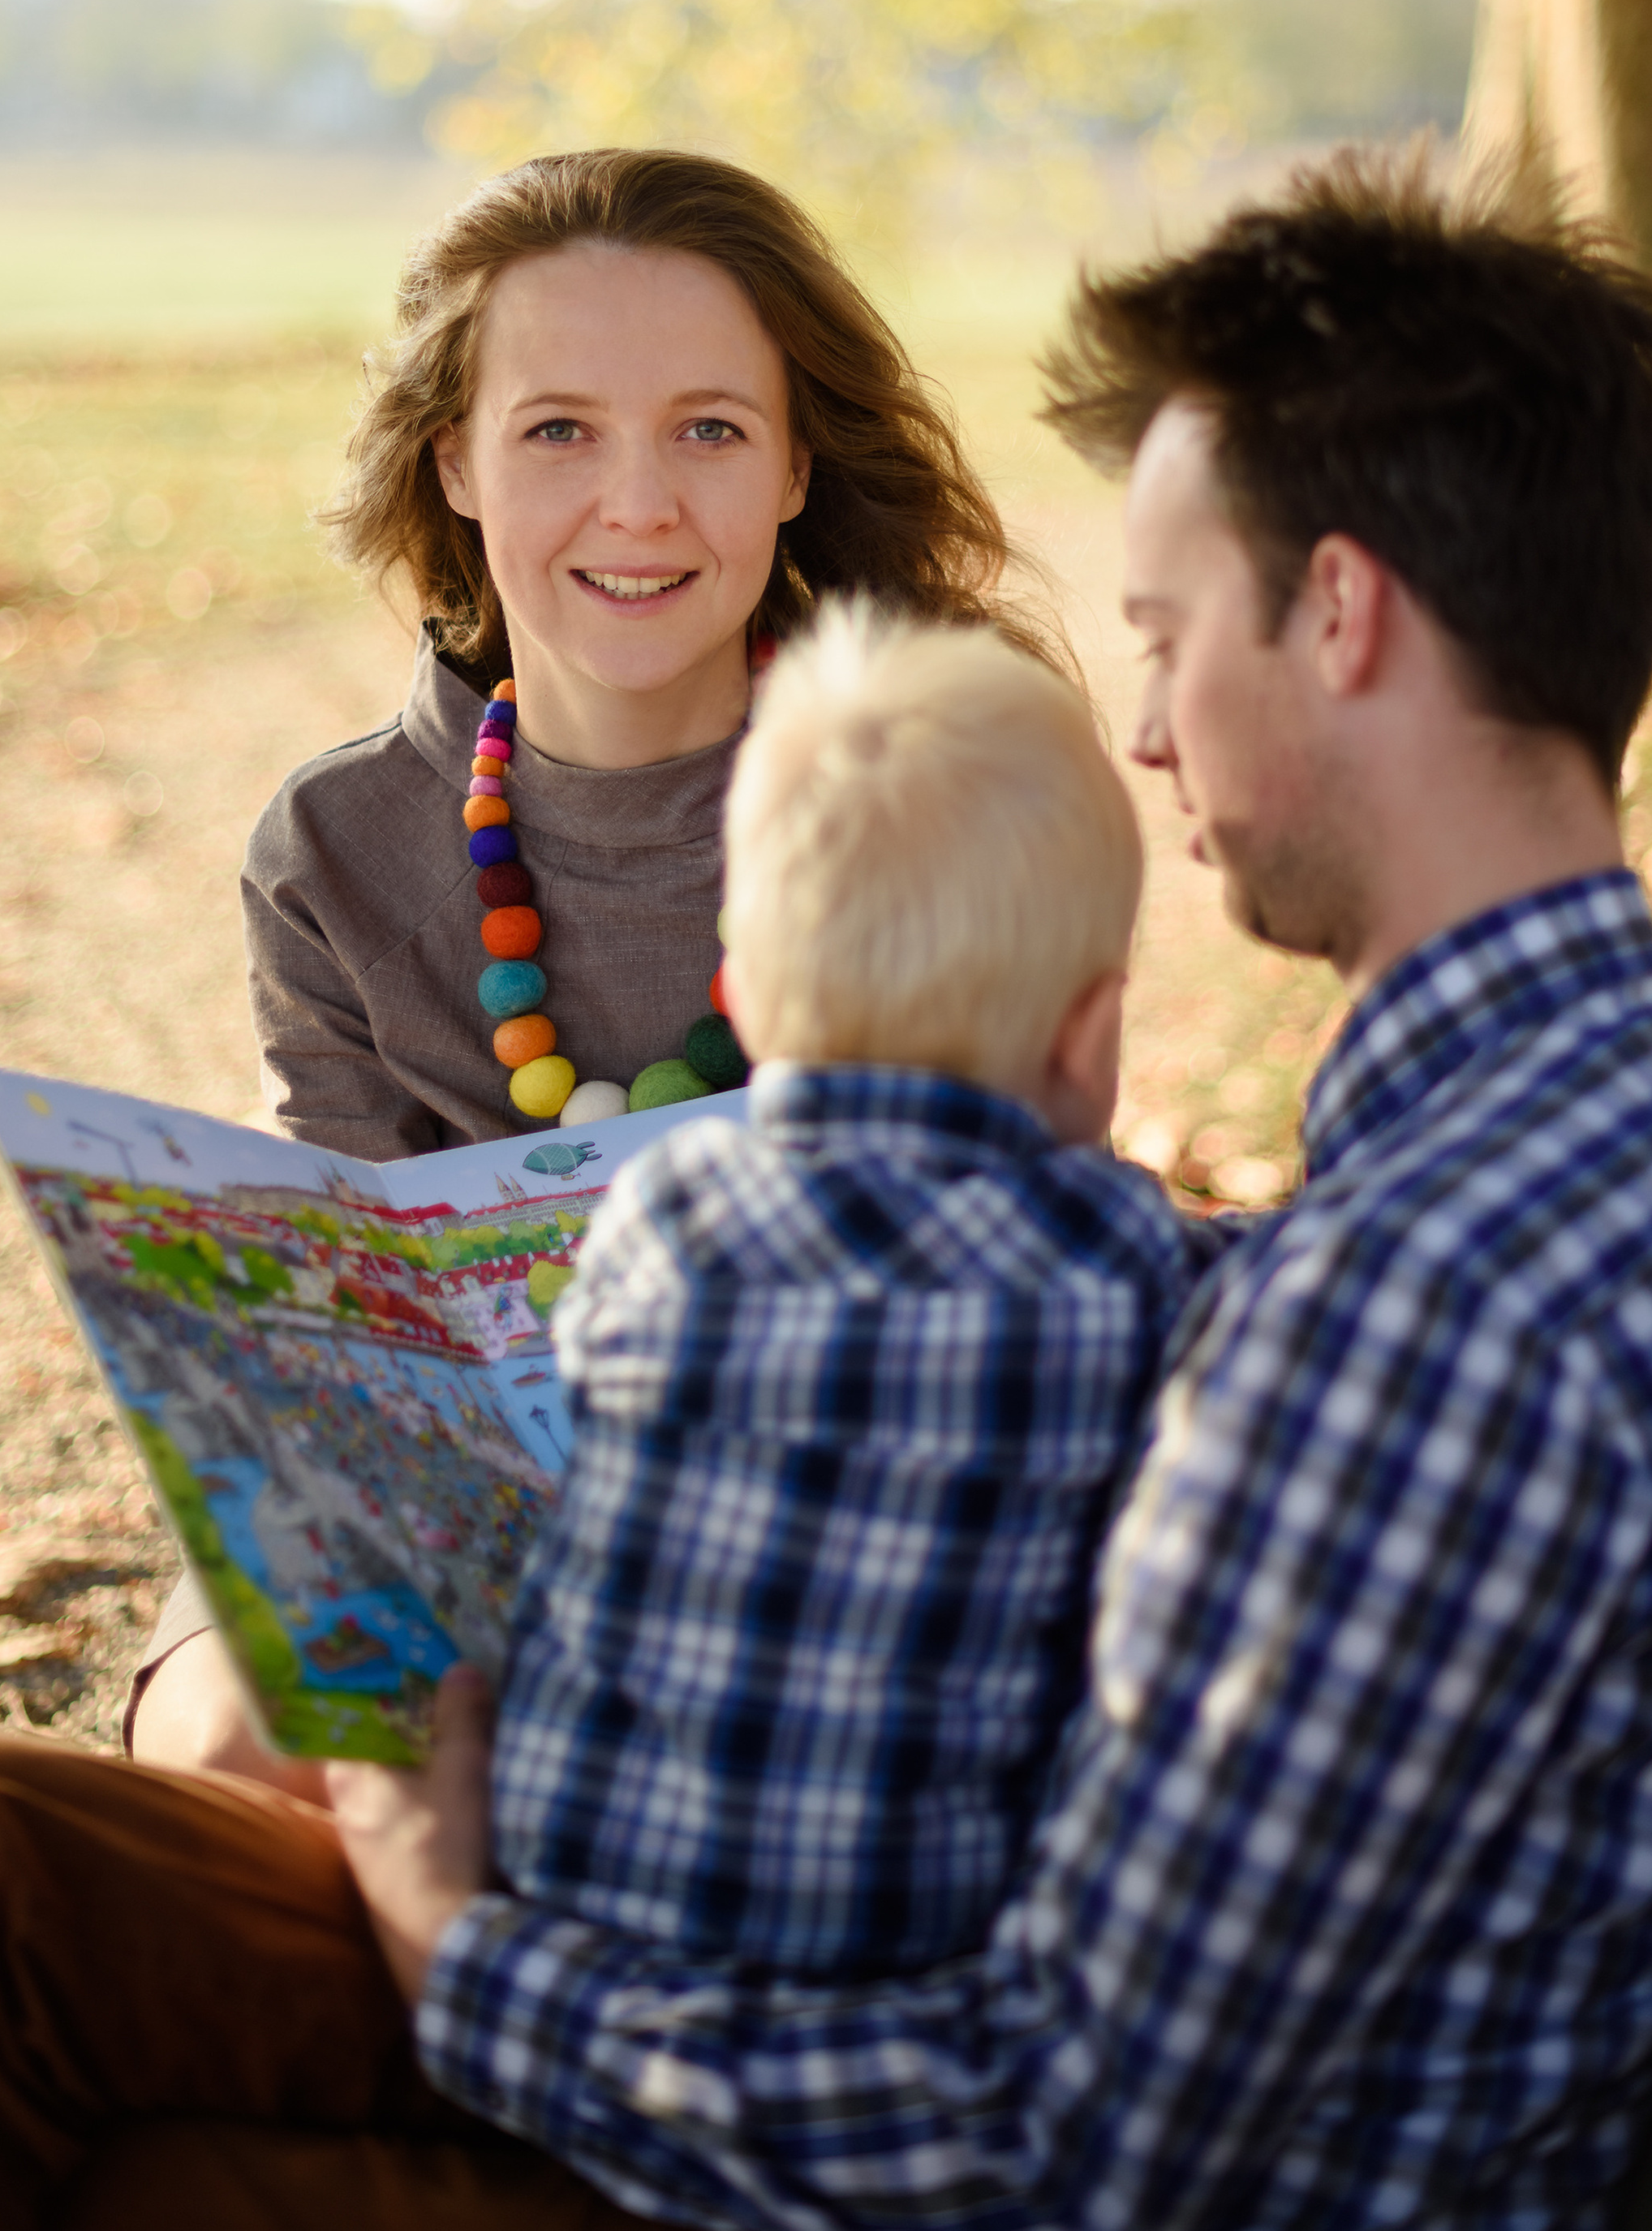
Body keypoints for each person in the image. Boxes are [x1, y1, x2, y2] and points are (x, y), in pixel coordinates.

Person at [0, 161, 1652, 2231]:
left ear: (1344, 617)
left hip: (917, 2147)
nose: (1149, 739)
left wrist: (457, 1940)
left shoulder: (1421, 1316)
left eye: (1170, 635)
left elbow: (1052, 2131)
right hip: (892, 1985)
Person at [136, 142, 1046, 1791]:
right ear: (458, 464)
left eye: (708, 428)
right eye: (558, 429)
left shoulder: (935, 788)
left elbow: (1020, 1264)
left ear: (790, 466)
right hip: (431, 1507)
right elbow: (349, 1339)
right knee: (240, 1742)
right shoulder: (333, 848)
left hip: (829, 1525)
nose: (637, 503)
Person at [493, 603, 1212, 1975]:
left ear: (747, 999)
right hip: (890, 1964)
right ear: (1091, 1033)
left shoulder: (665, 1210)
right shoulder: (1121, 1262)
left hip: (575, 1916)